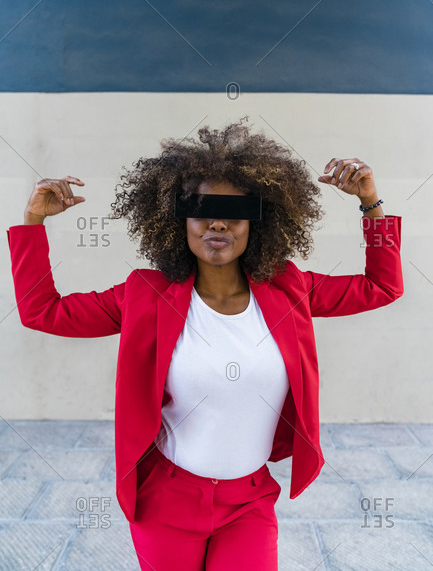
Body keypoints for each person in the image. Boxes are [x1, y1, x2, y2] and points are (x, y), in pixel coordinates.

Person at [6, 117, 403, 570]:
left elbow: (382, 287)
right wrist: (34, 221)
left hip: (248, 503)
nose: (218, 221)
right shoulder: (145, 293)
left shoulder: (290, 288)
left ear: (259, 220)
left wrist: (371, 203)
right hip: (165, 502)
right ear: (179, 220)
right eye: (202, 208)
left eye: (234, 211)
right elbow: (44, 311)